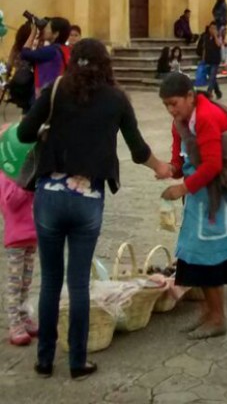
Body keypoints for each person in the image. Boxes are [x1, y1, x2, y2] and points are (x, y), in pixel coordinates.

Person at [19, 38, 168, 379]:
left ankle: (44, 360)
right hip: (87, 200)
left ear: (74, 61)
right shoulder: (116, 99)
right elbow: (138, 149)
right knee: (79, 282)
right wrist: (160, 167)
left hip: (50, 197)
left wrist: (46, 128)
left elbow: (26, 132)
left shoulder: (56, 89)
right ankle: (77, 361)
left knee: (50, 280)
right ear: (106, 64)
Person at [159, 72, 227, 340]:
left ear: (190, 96)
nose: (171, 110)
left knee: (211, 259)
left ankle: (218, 317)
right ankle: (208, 313)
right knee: (196, 258)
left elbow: (212, 165)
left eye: (174, 103)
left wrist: (182, 188)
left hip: (216, 198)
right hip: (201, 197)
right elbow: (180, 159)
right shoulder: (181, 121)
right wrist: (171, 169)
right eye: (166, 105)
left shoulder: (207, 117)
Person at [0, 168, 37, 346]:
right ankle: (14, 322)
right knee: (15, 283)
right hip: (16, 238)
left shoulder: (27, 172)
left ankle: (24, 316)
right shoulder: (6, 176)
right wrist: (27, 186)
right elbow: (11, 202)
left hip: (32, 235)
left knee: (26, 281)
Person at [21, 16, 72, 98]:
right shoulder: (65, 49)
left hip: (45, 95)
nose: (44, 29)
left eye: (47, 28)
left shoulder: (51, 51)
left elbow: (24, 53)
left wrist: (33, 32)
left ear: (56, 34)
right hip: (58, 93)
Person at [197, 24, 223, 100]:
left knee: (212, 77)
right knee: (212, 78)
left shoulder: (219, 37)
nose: (212, 29)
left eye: (214, 28)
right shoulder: (206, 37)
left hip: (215, 61)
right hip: (208, 60)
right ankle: (218, 92)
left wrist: (215, 36)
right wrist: (203, 59)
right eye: (211, 28)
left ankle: (209, 93)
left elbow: (219, 45)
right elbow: (204, 49)